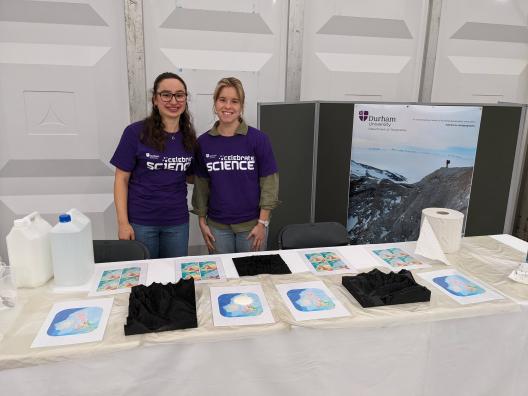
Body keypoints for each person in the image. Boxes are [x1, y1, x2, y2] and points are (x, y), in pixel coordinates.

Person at [111, 72, 196, 259]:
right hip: (142, 222)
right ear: (155, 100)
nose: (173, 101)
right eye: (166, 94)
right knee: (144, 279)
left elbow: (190, 176)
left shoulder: (189, 137)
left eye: (179, 95)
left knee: (174, 279)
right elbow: (121, 179)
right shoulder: (135, 132)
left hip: (177, 223)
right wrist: (123, 223)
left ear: (185, 99)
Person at [192, 77, 279, 253]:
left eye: (234, 101)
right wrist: (202, 222)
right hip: (217, 228)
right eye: (222, 100)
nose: (228, 106)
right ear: (215, 103)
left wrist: (263, 223)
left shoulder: (258, 139)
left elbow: (269, 184)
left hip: (252, 226)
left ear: (241, 105)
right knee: (223, 278)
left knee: (252, 278)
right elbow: (201, 186)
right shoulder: (203, 142)